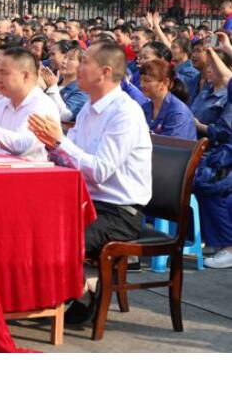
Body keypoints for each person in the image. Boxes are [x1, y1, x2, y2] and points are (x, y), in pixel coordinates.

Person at [28, 41, 152, 324]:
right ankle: (44, 295)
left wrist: (59, 142)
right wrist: (49, 146)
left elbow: (100, 171)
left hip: (118, 212)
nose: (77, 68)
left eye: (84, 62)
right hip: (85, 201)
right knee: (29, 223)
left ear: (105, 72)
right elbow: (71, 159)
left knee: (62, 239)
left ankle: (82, 292)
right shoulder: (89, 108)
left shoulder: (125, 113)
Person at [139, 58, 196, 139]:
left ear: (165, 82)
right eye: (141, 80)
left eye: (147, 81)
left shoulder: (178, 113)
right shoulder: (144, 108)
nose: (141, 85)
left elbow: (171, 145)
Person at [41, 45, 88, 121]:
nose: (64, 61)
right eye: (65, 57)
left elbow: (66, 116)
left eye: (71, 59)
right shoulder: (56, 81)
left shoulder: (82, 90)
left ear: (81, 65)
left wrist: (52, 88)